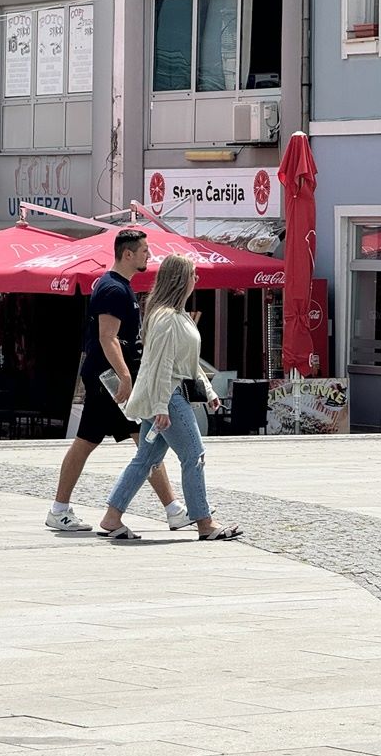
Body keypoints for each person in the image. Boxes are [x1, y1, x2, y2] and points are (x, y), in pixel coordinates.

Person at [45, 229, 189, 533]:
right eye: (144, 251)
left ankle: (173, 509)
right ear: (128, 254)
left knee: (130, 442)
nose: (149, 256)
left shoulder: (119, 287)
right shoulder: (113, 289)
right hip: (109, 382)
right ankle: (171, 509)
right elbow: (107, 337)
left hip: (110, 380)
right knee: (139, 441)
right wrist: (125, 376)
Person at [99, 253, 242, 541]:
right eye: (193, 275)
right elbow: (162, 365)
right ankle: (205, 523)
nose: (196, 280)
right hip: (168, 398)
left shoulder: (176, 316)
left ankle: (112, 518)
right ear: (180, 280)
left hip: (165, 396)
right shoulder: (167, 318)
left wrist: (210, 391)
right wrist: (162, 405)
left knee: (145, 459)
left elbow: (189, 361)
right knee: (194, 455)